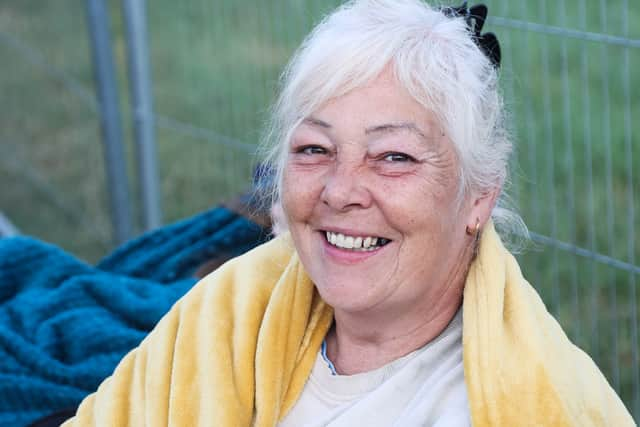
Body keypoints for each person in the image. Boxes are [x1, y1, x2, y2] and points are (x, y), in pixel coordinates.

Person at [63, 1, 634, 425]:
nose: (340, 190)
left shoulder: (529, 402)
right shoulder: (228, 312)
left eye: (393, 156)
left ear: (479, 194)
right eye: (314, 149)